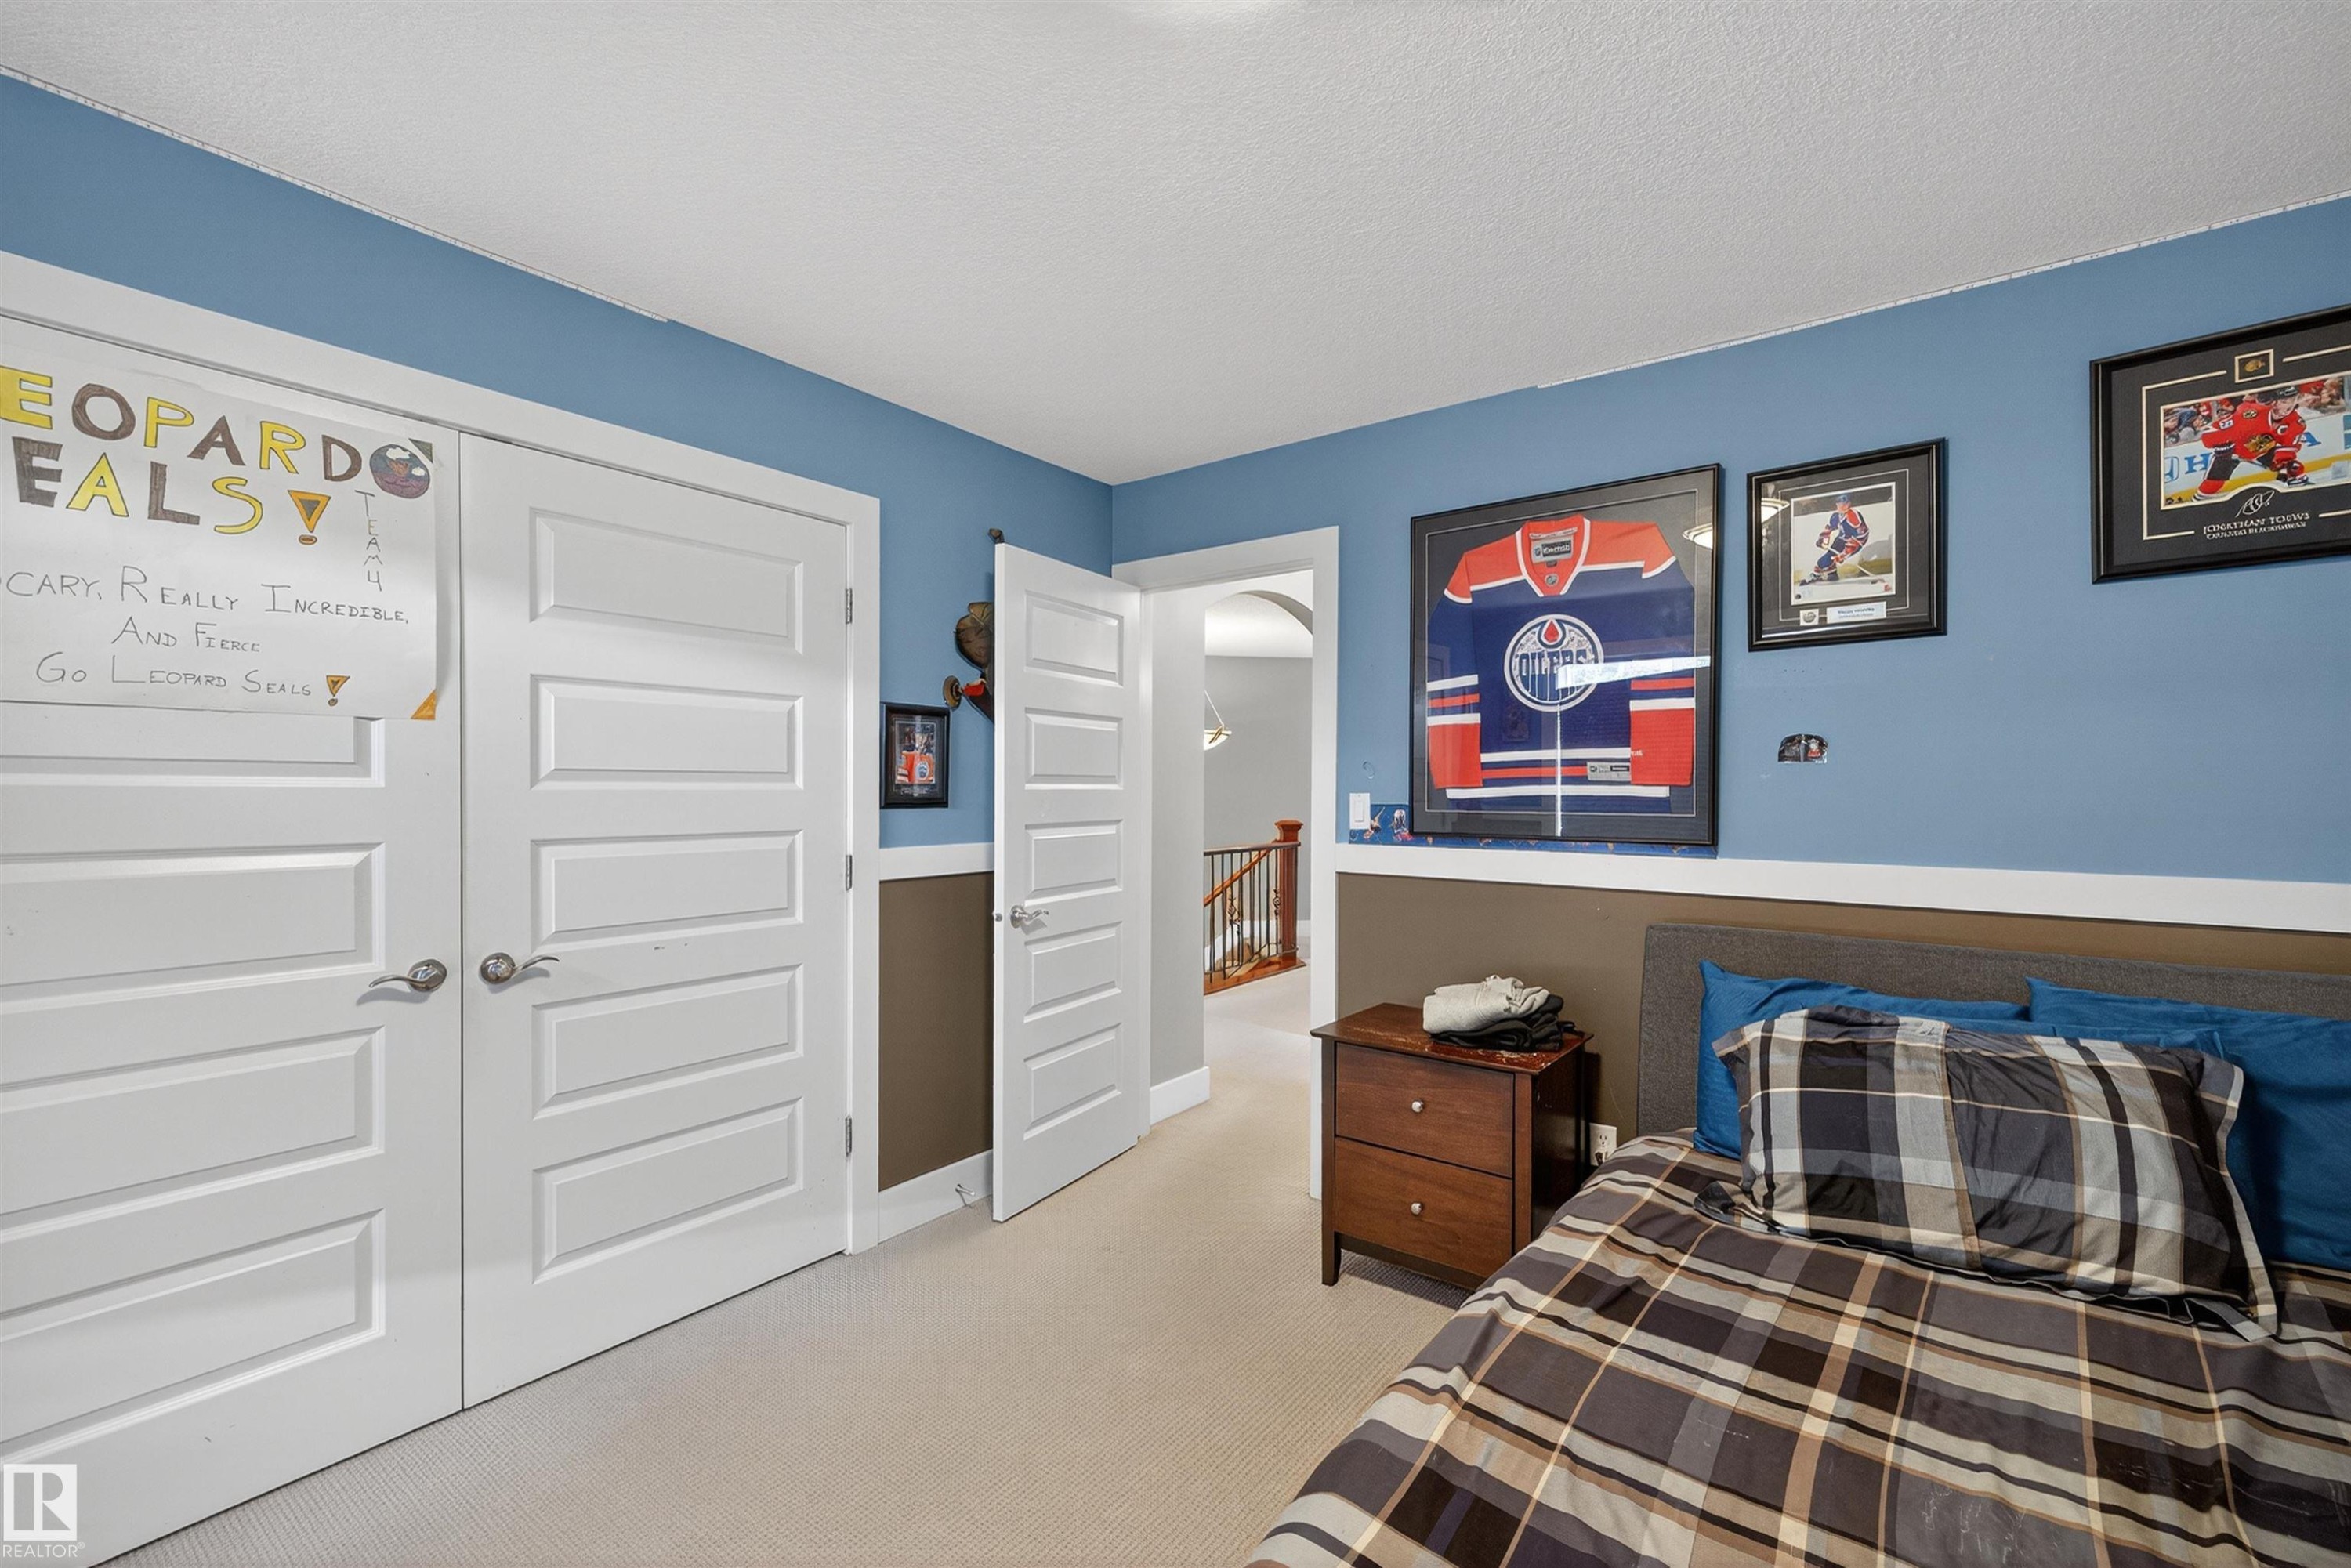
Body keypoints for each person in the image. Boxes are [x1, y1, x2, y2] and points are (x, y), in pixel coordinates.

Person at [2197, 393, 2310, 498]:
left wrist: (2283, 467)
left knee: (2292, 468)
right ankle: (2198, 500)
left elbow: (2288, 449)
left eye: (2291, 401)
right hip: (2233, 452)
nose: (2286, 407)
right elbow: (2208, 435)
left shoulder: (2295, 421)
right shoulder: (2249, 413)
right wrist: (2220, 443)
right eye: (2284, 401)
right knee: (2212, 485)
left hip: (2260, 450)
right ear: (2273, 402)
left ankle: (2300, 488)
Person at [1800, 494, 1869, 584]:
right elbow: (1829, 529)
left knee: (1825, 560)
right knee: (1830, 556)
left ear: (1849, 504)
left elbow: (1860, 537)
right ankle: (1832, 573)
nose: (1842, 506)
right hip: (1842, 538)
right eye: (1839, 504)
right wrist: (1823, 540)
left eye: (1845, 503)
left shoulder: (1853, 516)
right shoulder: (1836, 516)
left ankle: (1816, 574)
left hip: (1856, 541)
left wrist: (1843, 555)